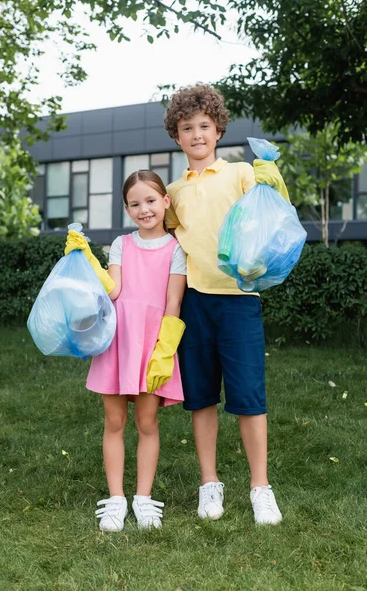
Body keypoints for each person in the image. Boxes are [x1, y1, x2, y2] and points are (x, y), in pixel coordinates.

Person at [164, 83, 290, 525]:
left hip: (239, 301)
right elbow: (165, 239)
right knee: (200, 398)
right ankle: (209, 484)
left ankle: (261, 487)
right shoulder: (174, 191)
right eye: (186, 127)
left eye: (204, 125)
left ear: (218, 129)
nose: (196, 134)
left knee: (249, 395)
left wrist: (273, 178)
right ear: (176, 136)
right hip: (195, 304)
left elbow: (272, 216)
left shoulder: (239, 174)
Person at [65, 170, 187, 532]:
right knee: (114, 421)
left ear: (165, 201)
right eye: (135, 204)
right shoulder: (122, 244)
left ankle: (143, 499)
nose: (143, 209)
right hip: (119, 342)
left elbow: (173, 302)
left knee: (147, 422)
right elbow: (114, 290)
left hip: (152, 343)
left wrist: (164, 351)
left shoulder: (177, 248)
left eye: (150, 200)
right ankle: (116, 499)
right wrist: (87, 256)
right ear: (127, 208)